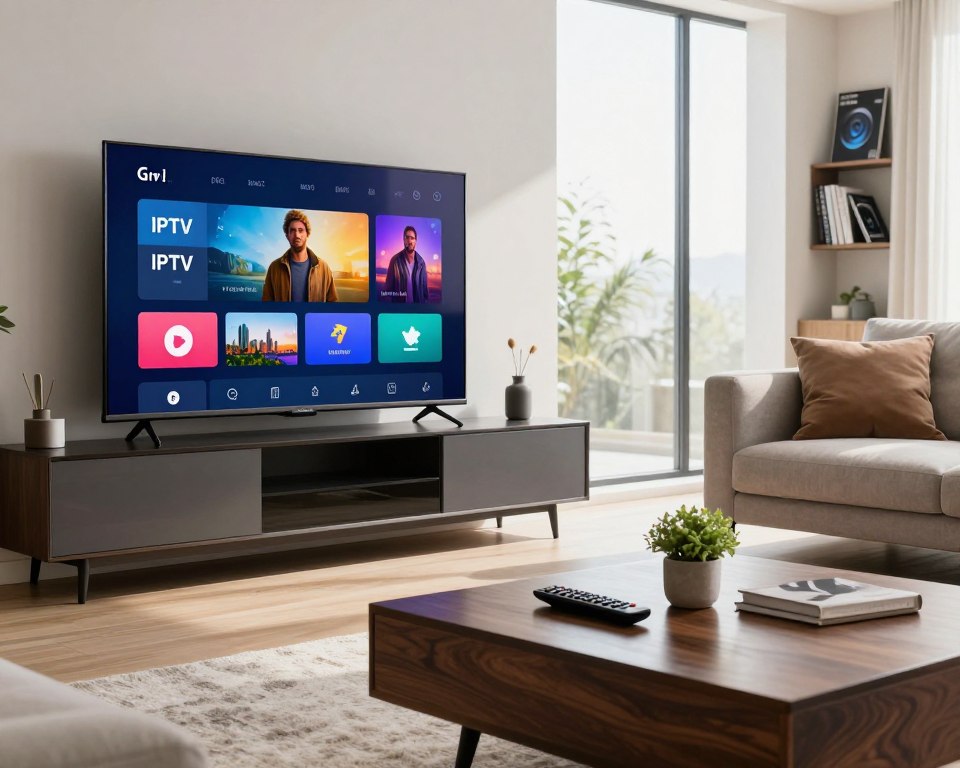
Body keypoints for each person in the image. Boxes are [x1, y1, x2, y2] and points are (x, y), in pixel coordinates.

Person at [262, 210, 338, 302]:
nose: (297, 235)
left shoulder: (324, 268)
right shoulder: (274, 268)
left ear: (307, 234)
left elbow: (333, 304)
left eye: (301, 230)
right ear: (287, 235)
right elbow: (266, 304)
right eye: (292, 231)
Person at [382, 225, 428, 303]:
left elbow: (424, 291)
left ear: (416, 241)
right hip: (400, 311)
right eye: (407, 237)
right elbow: (388, 289)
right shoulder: (395, 261)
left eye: (412, 238)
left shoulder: (421, 263)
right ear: (403, 240)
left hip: (417, 311)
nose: (409, 241)